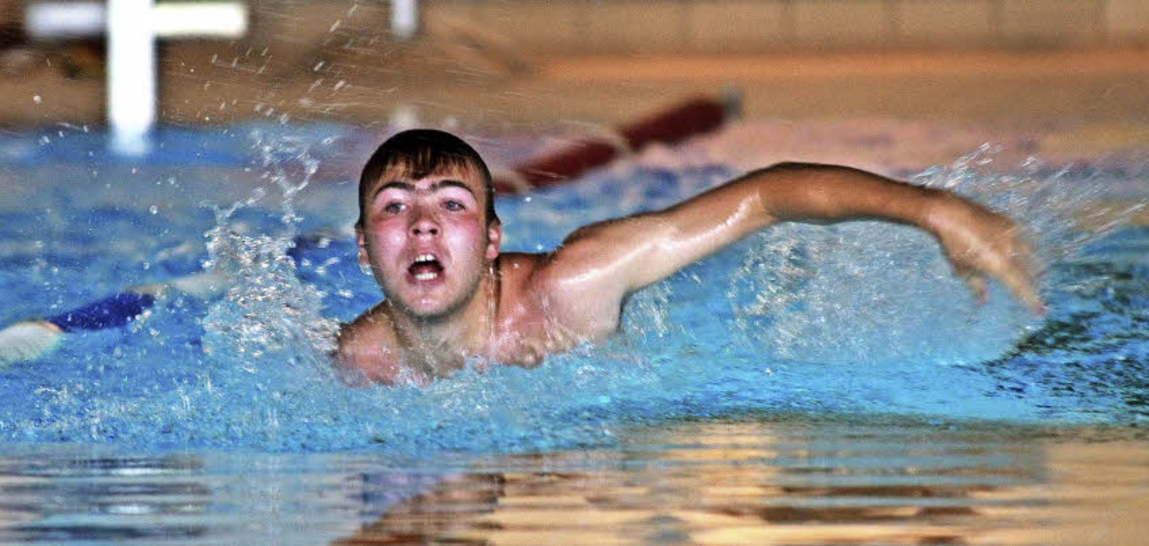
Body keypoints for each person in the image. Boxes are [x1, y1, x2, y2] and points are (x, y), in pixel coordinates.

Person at [334, 129, 1044, 386]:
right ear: (365, 250)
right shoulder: (362, 361)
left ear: (492, 241)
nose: (423, 224)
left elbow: (764, 197)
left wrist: (935, 210)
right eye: (395, 207)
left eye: (452, 204)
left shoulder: (573, 286)